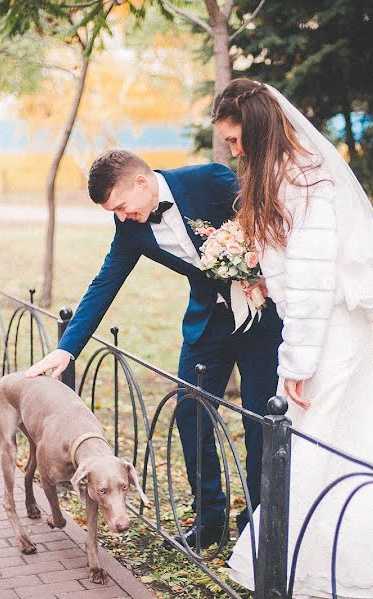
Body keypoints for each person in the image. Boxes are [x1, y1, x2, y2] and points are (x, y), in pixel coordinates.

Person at [213, 79, 373, 598]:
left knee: (316, 443)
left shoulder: (302, 180)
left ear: (258, 131)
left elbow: (312, 283)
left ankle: (305, 566)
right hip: (318, 325)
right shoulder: (282, 175)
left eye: (237, 141)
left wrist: (297, 363)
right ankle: (311, 565)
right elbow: (294, 271)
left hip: (330, 332)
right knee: (324, 443)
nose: (233, 152)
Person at [25, 150, 283, 549]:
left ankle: (256, 520)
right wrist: (66, 349)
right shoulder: (130, 227)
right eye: (115, 211)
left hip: (260, 321)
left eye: (123, 206)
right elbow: (105, 282)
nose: (123, 216)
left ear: (142, 182)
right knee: (189, 414)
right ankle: (210, 519)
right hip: (207, 326)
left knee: (257, 422)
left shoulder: (211, 180)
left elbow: (267, 227)